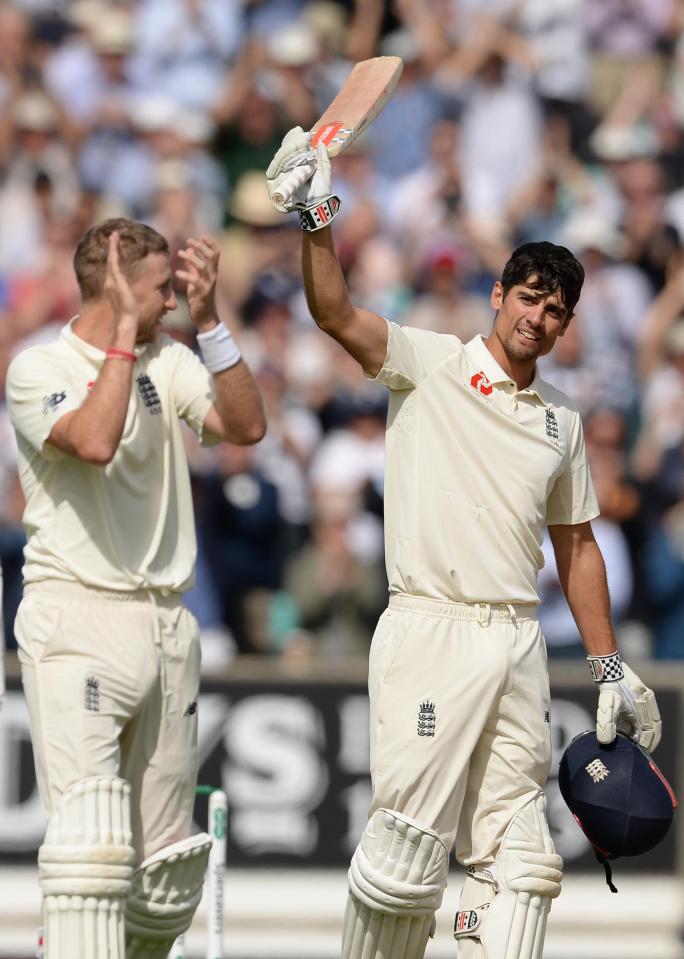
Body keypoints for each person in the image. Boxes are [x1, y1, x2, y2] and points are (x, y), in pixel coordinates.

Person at [266, 130, 663, 959]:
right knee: (405, 859)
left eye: (556, 310)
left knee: (520, 869)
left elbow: (579, 546)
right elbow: (334, 312)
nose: (539, 318)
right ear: (498, 294)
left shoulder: (562, 420)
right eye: (529, 298)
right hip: (430, 629)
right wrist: (315, 215)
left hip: (516, 642)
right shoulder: (431, 362)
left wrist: (609, 669)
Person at [6, 217, 266, 959]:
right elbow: (92, 440)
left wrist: (214, 322)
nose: (174, 303)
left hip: (166, 625)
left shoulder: (169, 357)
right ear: (113, 290)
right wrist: (124, 329)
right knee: (90, 855)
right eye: (161, 291)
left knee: (162, 876)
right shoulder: (39, 368)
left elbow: (246, 425)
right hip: (77, 619)